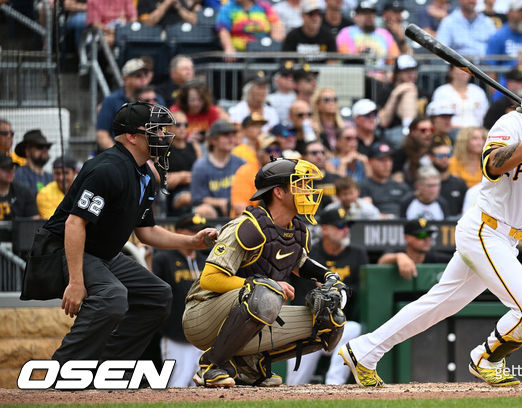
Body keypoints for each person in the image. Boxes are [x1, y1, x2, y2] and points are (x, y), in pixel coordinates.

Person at [338, 56, 522, 387]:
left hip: (507, 238)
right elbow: (491, 167)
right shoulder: (509, 125)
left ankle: (364, 350)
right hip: (485, 230)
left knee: (436, 304)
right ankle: (485, 358)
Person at [21, 102, 218, 366]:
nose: (162, 136)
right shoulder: (108, 168)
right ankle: (63, 372)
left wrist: (192, 241)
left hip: (101, 255)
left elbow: (146, 231)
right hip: (63, 250)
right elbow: (74, 224)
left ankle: (109, 367)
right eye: (155, 131)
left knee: (157, 295)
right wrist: (76, 282)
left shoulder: (144, 174)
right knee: (112, 297)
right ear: (132, 136)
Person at [182, 157, 348, 387]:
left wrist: (329, 277)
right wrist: (261, 284)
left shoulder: (295, 229)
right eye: (299, 184)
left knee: (331, 320)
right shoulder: (246, 226)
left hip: (246, 311)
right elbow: (210, 279)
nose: (307, 191)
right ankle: (212, 365)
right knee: (266, 292)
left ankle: (249, 365)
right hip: (202, 314)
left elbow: (300, 263)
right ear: (278, 192)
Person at [286, 208, 367, 385]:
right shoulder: (308, 254)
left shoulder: (357, 254)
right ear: (324, 229)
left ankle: (334, 386)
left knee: (354, 329)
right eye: (340, 225)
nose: (345, 229)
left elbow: (362, 290)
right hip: (307, 324)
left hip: (341, 324)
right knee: (295, 381)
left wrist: (337, 289)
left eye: (347, 225)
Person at [153, 213, 209, 387]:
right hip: (175, 334)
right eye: (192, 230)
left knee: (204, 388)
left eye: (199, 231)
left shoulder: (206, 260)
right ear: (178, 231)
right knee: (176, 385)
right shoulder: (163, 258)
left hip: (203, 336)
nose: (196, 234)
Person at [96, 59, 164, 151]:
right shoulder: (111, 101)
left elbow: (164, 128)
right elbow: (102, 135)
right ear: (126, 79)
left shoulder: (156, 99)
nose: (143, 78)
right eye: (138, 75)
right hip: (119, 154)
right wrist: (120, 155)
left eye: (146, 74)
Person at [191, 119, 245, 218]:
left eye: (233, 135)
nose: (231, 139)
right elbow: (197, 198)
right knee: (203, 210)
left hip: (237, 209)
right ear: (213, 140)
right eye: (225, 136)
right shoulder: (201, 166)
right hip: (214, 211)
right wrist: (221, 202)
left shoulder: (241, 163)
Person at [377, 218, 452, 280]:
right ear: (407, 238)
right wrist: (399, 256)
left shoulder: (434, 257)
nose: (427, 239)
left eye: (429, 235)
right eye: (422, 235)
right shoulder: (398, 252)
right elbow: (381, 261)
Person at [358, 143, 410, 219]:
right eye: (381, 160)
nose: (387, 164)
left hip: (401, 226)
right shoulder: (362, 187)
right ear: (370, 162)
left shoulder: (402, 187)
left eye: (389, 160)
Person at [165, 111, 202, 217]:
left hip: (195, 189)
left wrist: (181, 176)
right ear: (169, 127)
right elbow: (166, 180)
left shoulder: (194, 146)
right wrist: (191, 176)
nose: (182, 128)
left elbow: (202, 174)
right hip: (174, 195)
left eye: (185, 125)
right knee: (187, 198)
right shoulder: (164, 149)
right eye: (178, 125)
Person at [216, 0, 285, 55]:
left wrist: (274, 44)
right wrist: (229, 48)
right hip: (239, 53)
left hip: (263, 51)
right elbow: (223, 30)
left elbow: (276, 24)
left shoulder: (264, 6)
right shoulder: (227, 8)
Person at [170, 80, 227, 145]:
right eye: (192, 100)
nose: (196, 103)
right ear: (185, 100)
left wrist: (208, 136)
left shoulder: (212, 111)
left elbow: (218, 132)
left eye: (200, 99)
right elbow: (169, 133)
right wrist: (186, 138)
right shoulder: (176, 111)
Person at [430, 143, 467, 218]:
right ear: (431, 157)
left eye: (448, 155)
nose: (444, 159)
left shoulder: (459, 183)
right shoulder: (426, 184)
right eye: (440, 156)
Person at [13, 129, 53, 196]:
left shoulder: (50, 177)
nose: (45, 150)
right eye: (39, 146)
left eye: (47, 147)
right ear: (27, 151)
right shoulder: (20, 174)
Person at [0, 154, 39, 221]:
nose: (10, 171)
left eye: (12, 167)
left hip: (19, 231)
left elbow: (35, 220)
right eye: (5, 168)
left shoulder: (24, 192)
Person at [268, 61, 297, 126]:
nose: (290, 79)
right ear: (276, 79)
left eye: (293, 76)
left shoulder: (299, 97)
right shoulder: (269, 99)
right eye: (285, 76)